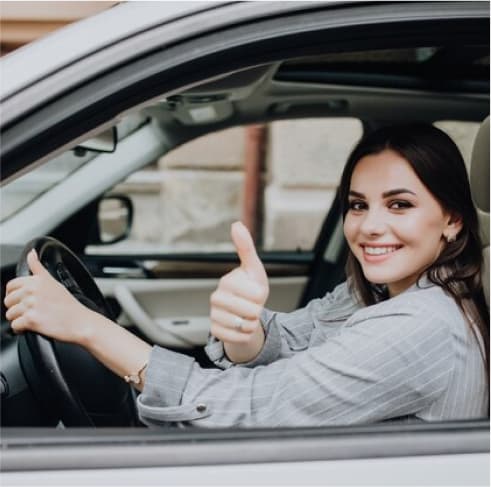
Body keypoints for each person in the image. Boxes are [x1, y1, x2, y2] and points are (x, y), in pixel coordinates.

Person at [4, 124, 489, 428]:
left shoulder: (420, 327)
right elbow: (298, 337)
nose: (370, 226)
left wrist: (88, 328)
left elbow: (244, 411)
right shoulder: (379, 294)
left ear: (452, 219)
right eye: (358, 205)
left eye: (399, 205)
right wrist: (248, 335)